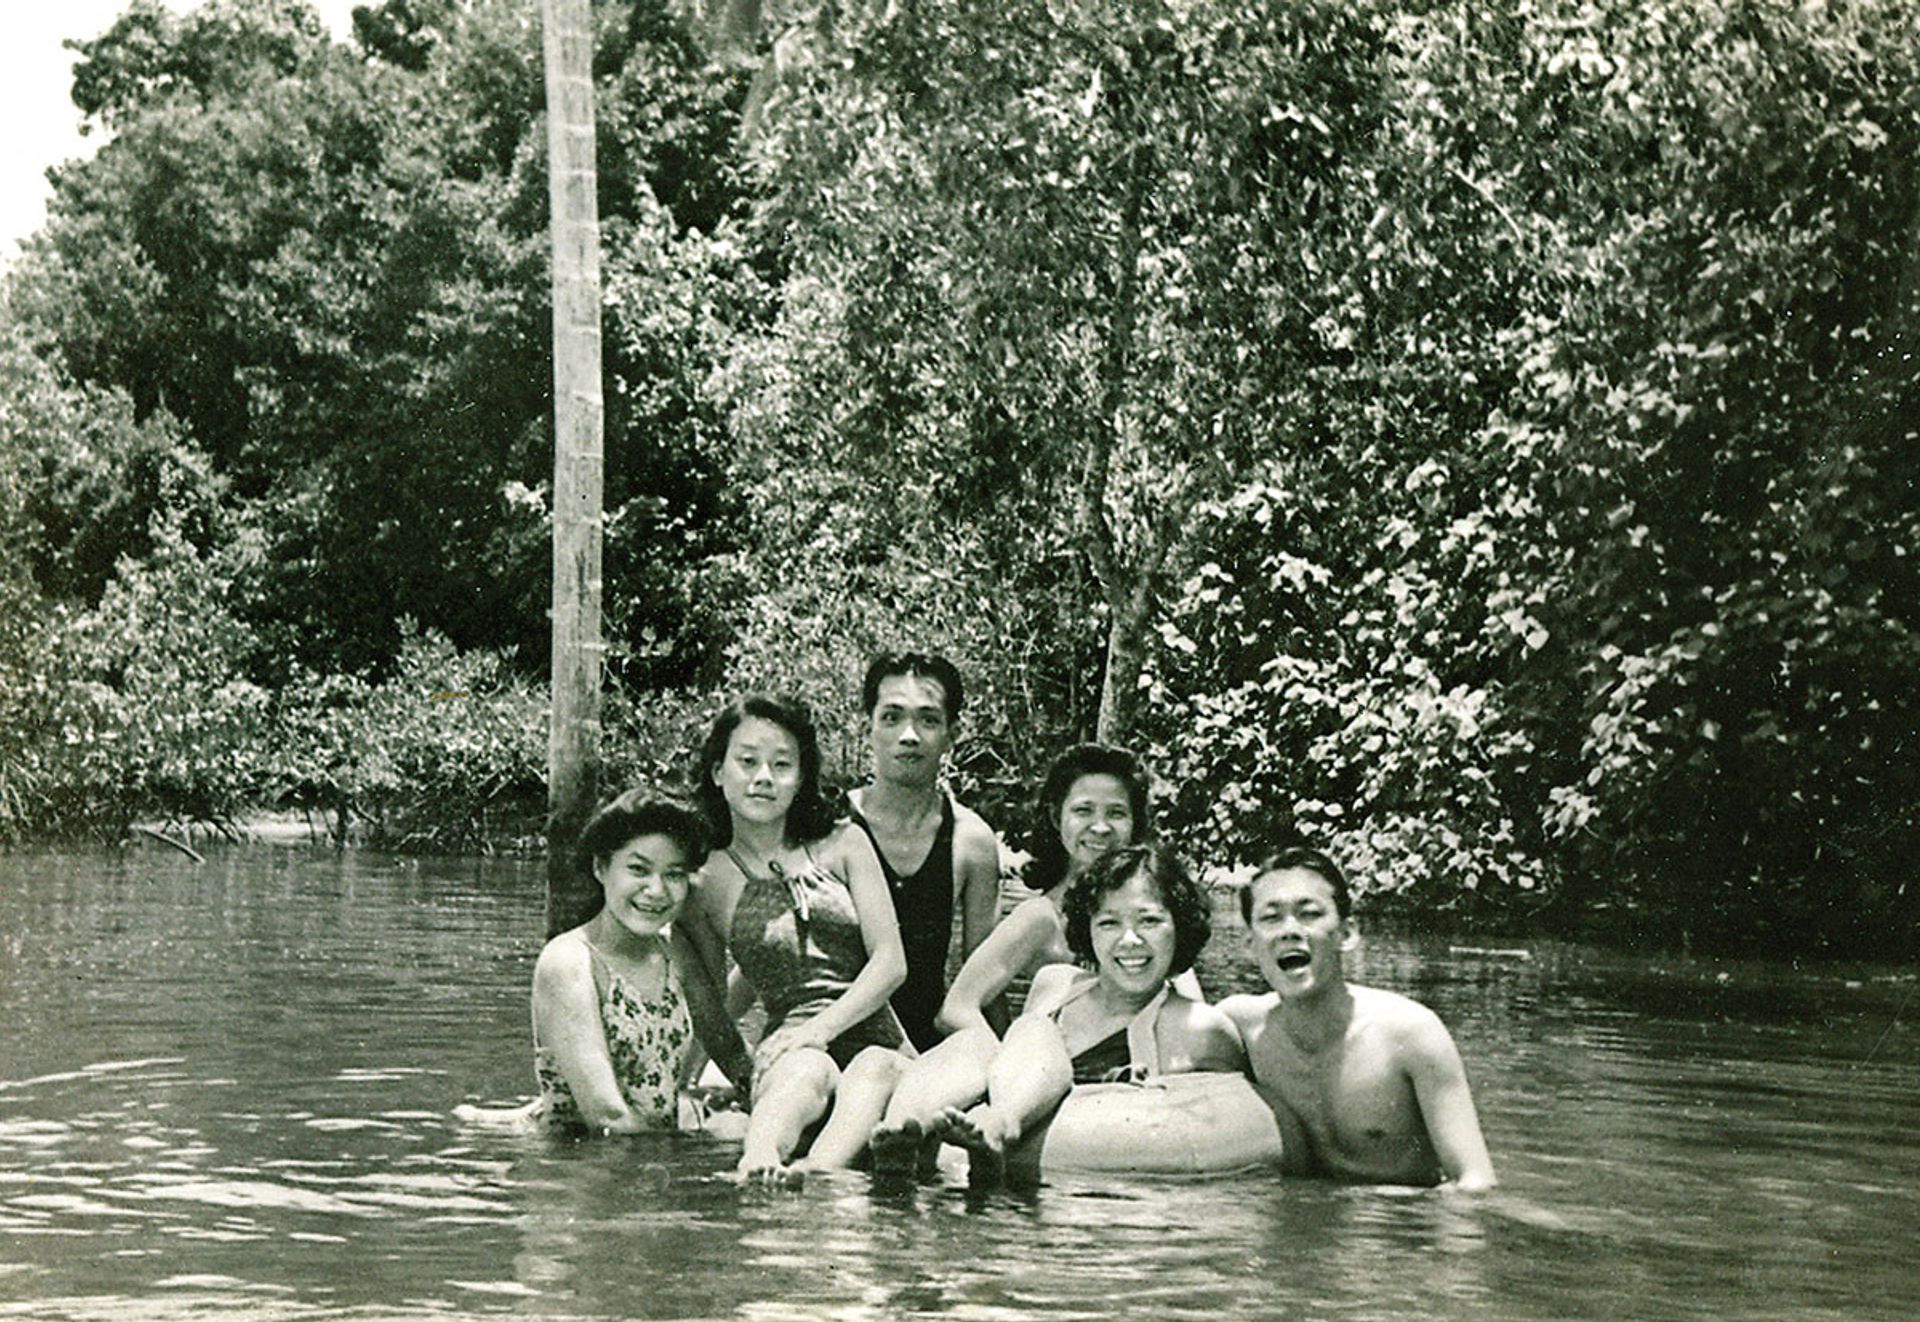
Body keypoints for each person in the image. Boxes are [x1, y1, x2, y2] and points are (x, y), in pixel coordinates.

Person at [866, 743, 1168, 1167]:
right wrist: (1003, 1063)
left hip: (1116, 1073)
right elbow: (957, 1008)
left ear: (1135, 824)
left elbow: (1183, 1003)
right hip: (1037, 1067)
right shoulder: (1041, 918)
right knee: (979, 1043)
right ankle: (905, 1134)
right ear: (1056, 818)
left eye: (1116, 813)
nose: (1100, 827)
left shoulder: (1158, 918)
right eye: (1083, 811)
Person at [678, 693, 912, 1183]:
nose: (764, 777)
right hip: (791, 1051)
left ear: (802, 778)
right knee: (806, 1069)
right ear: (718, 772)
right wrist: (738, 1077)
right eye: (747, 762)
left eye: (782, 764)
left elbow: (891, 963)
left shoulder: (845, 842)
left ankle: (819, 1171)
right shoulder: (705, 880)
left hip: (877, 1038)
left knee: (874, 1064)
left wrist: (820, 1030)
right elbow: (710, 1003)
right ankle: (760, 1158)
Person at [939, 843, 1246, 1186]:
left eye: (1150, 921)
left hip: (1100, 1193)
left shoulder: (1201, 1028)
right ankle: (986, 1125)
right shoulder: (1054, 986)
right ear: (1087, 928)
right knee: (1030, 1027)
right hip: (1012, 1175)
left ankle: (1002, 1126)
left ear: (1180, 927)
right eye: (1109, 923)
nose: (1130, 940)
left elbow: (1216, 1137)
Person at [454, 791, 753, 1134]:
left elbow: (728, 1048)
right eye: (638, 870)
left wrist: (773, 1109)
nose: (657, 890)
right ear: (600, 868)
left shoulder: (675, 953)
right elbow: (607, 1116)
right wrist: (697, 1150)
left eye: (674, 874)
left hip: (647, 1143)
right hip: (580, 1155)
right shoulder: (569, 962)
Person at [1219, 846, 1497, 1191]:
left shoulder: (1409, 1033)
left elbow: (1475, 1181)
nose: (1289, 930)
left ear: (1347, 934)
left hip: (1398, 1220)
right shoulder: (1239, 1028)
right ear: (1249, 944)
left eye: (1309, 914)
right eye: (1271, 918)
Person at [845, 652, 1002, 1052]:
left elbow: (983, 974)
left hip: (925, 1052)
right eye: (891, 717)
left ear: (952, 733)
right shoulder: (831, 827)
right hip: (832, 1041)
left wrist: (1003, 1057)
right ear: (868, 727)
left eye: (928, 720)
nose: (909, 735)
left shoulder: (971, 840)